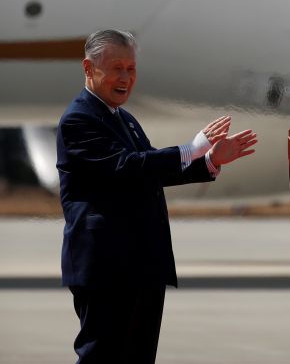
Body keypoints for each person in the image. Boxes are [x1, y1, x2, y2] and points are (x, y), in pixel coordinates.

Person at [57, 29, 258, 363]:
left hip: (141, 263)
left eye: (131, 68)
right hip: (107, 264)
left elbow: (150, 171)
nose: (126, 78)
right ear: (89, 69)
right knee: (102, 356)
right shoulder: (79, 119)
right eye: (116, 68)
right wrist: (190, 148)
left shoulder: (123, 119)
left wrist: (208, 161)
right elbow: (126, 167)